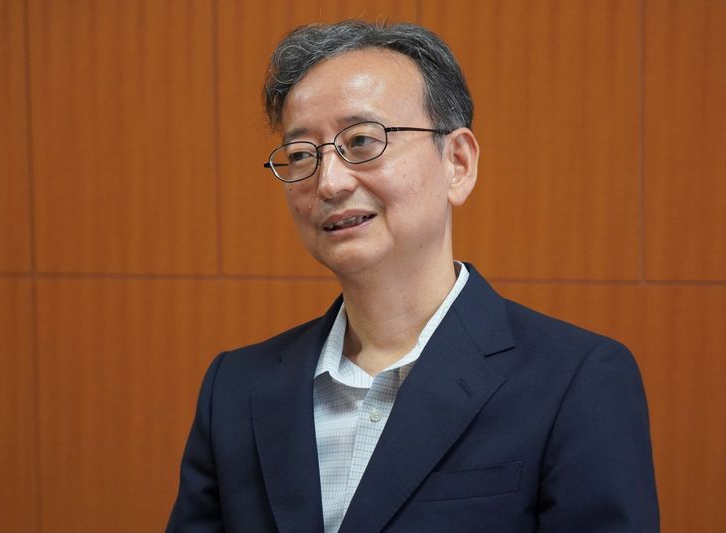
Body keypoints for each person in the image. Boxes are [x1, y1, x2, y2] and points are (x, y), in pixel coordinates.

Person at [167, 20, 659, 532]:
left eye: (361, 141)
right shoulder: (236, 388)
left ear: (458, 163)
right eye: (301, 155)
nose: (329, 182)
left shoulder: (575, 379)